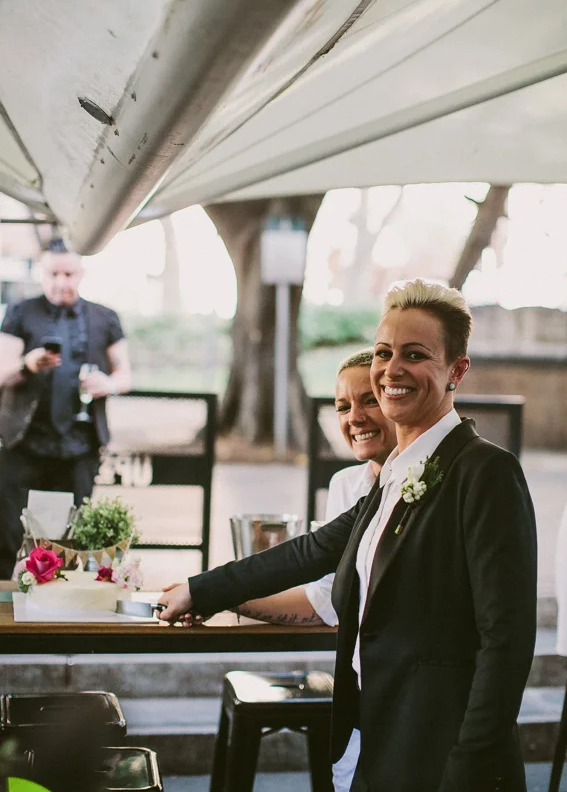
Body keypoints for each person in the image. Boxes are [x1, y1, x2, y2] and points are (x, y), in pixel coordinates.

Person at [159, 279, 537, 792]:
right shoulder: (394, 473)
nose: (392, 369)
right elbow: (311, 551)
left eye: (415, 354)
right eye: (384, 352)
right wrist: (200, 590)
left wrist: (469, 764)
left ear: (457, 370)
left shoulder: (484, 471)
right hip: (376, 734)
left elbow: (506, 640)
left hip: (441, 751)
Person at [230, 348, 396, 632]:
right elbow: (326, 601)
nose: (354, 418)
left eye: (371, 401)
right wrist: (223, 598)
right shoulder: (344, 484)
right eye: (343, 408)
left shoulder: (436, 477)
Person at [0, 239, 131, 578]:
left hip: (80, 446)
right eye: (53, 274)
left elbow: (126, 374)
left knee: (74, 537)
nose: (60, 282)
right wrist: (28, 365)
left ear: (81, 273)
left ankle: (65, 601)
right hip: (24, 443)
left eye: (68, 274)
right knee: (8, 534)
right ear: (42, 273)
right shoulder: (20, 312)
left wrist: (108, 384)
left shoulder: (105, 317)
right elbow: (2, 372)